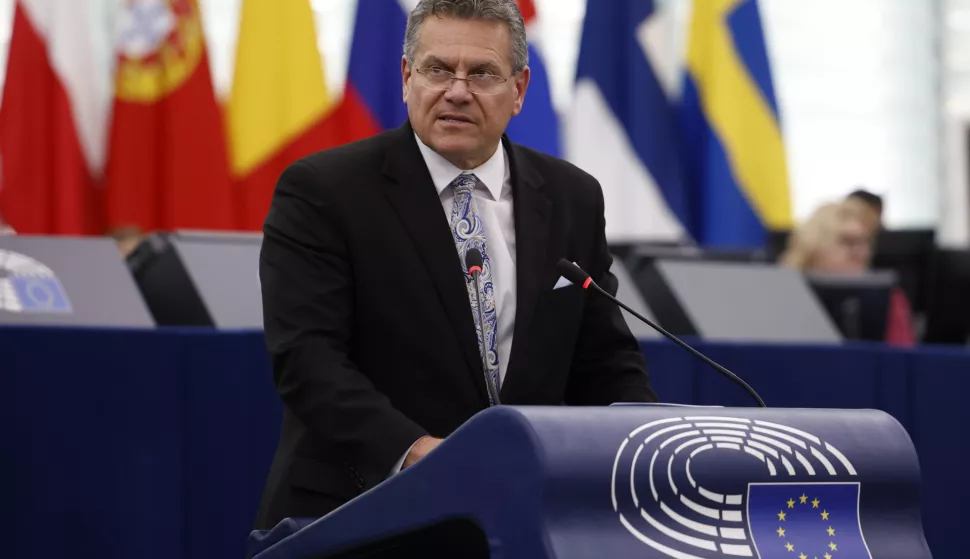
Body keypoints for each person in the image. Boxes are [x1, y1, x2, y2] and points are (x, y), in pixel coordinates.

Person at [254, 0, 658, 529]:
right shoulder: (325, 191)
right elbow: (308, 360)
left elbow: (605, 362)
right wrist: (418, 452)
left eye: (483, 73)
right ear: (406, 77)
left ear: (519, 90)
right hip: (359, 509)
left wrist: (648, 447)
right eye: (438, 69)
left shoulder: (571, 197)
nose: (457, 90)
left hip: (521, 515)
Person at [780, 201, 915, 346]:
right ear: (814, 246)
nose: (860, 253)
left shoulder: (890, 299)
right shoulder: (784, 296)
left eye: (865, 242)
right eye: (848, 242)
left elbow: (903, 361)